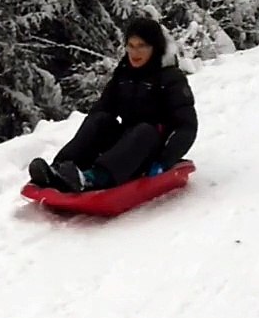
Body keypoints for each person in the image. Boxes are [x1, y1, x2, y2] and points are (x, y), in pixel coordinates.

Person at [28, 17, 198, 193]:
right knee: (100, 119)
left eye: (141, 46)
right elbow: (103, 107)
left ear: (154, 48)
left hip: (151, 150)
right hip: (125, 146)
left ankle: (95, 177)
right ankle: (60, 169)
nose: (135, 52)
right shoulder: (124, 74)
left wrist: (165, 160)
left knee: (145, 130)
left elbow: (187, 126)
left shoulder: (170, 78)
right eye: (130, 46)